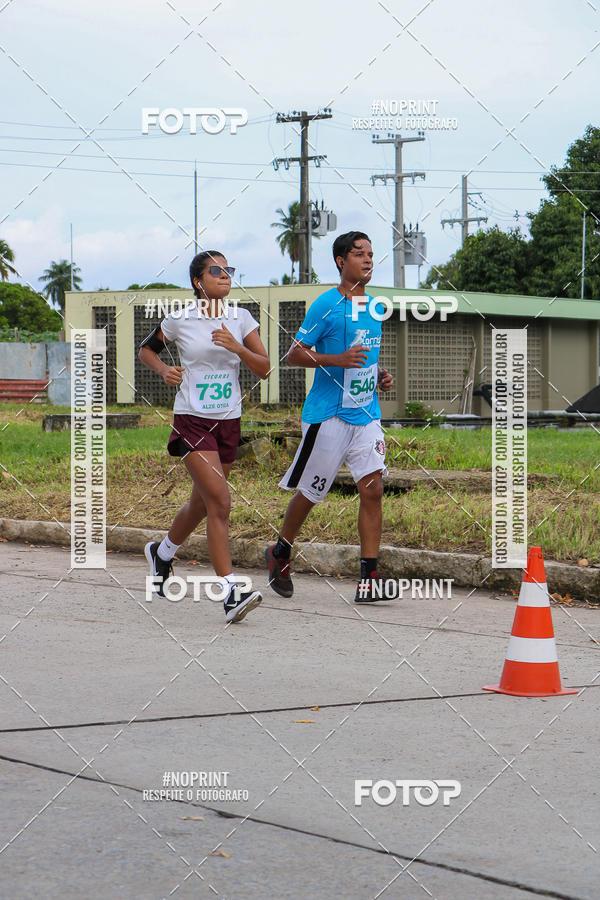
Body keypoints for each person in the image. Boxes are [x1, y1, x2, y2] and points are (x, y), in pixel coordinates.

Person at [139, 250, 270, 622]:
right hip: (192, 421)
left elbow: (265, 369)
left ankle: (161, 553)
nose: (226, 275)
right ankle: (230, 590)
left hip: (228, 421)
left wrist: (238, 347)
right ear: (199, 281)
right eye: (217, 270)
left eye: (229, 269)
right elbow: (146, 350)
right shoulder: (180, 320)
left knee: (201, 504)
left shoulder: (241, 318)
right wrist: (165, 369)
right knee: (221, 503)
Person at [265, 231, 394, 603]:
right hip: (327, 416)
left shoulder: (373, 308)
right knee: (311, 493)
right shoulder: (326, 304)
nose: (368, 260)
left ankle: (368, 580)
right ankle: (281, 552)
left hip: (366, 413)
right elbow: (295, 354)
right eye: (359, 254)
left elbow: (365, 358)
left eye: (371, 254)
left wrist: (381, 375)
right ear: (341, 261)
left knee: (373, 490)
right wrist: (336, 360)